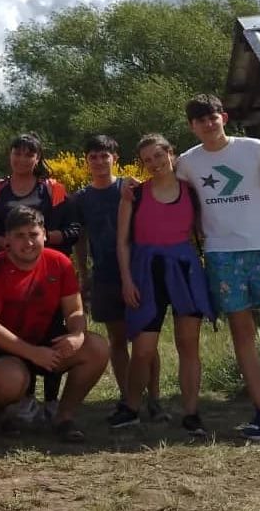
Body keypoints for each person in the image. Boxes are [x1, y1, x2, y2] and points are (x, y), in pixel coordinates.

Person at [176, 94, 260, 440]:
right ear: (191, 126)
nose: (208, 124)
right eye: (200, 120)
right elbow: (172, 195)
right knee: (243, 334)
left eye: (213, 117)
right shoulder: (187, 162)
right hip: (221, 255)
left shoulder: (253, 148)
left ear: (223, 117)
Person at [0, 205, 109, 443]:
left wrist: (77, 334)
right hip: (3, 350)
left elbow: (75, 309)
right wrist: (33, 353)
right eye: (19, 236)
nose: (28, 242)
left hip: (46, 343)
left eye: (33, 234)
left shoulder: (60, 263)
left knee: (97, 347)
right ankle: (0, 413)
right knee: (12, 379)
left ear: (44, 234)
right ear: (7, 240)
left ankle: (63, 417)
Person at [112, 134, 214, 436]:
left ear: (171, 154)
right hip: (146, 271)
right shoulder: (135, 194)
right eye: (147, 160)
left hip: (185, 270)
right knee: (143, 349)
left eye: (159, 156)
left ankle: (192, 413)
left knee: (188, 345)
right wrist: (127, 279)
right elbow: (122, 242)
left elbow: (207, 229)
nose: (155, 163)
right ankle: (131, 408)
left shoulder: (192, 191)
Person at [0, 133, 81, 420]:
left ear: (38, 158)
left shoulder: (54, 189)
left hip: (51, 269)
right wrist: (11, 245)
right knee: (17, 327)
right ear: (9, 155)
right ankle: (22, 399)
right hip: (6, 269)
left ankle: (52, 402)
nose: (22, 159)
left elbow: (73, 229)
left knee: (53, 330)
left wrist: (45, 240)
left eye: (29, 154)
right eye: (17, 153)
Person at [73, 135, 168, 422]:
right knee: (116, 341)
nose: (99, 161)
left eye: (105, 155)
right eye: (93, 157)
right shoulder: (80, 198)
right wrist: (83, 272)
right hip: (104, 275)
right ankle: (129, 398)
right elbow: (80, 238)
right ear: (86, 161)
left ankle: (155, 399)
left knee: (144, 341)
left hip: (138, 273)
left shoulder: (130, 187)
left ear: (115, 157)